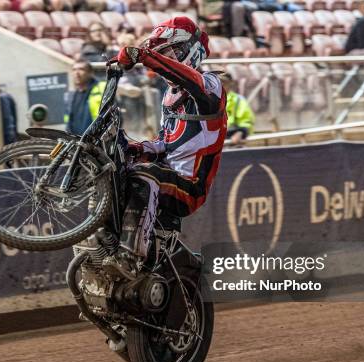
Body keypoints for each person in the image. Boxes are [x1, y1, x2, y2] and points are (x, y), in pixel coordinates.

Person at [102, 17, 228, 275]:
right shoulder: (169, 98)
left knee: (144, 175)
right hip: (168, 173)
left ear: (191, 52)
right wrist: (136, 148)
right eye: (162, 54)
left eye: (170, 52)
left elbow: (192, 81)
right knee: (117, 171)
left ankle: (129, 256)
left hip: (190, 186)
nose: (165, 59)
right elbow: (164, 142)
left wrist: (145, 56)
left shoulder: (212, 85)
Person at [64, 60, 105, 135]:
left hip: (96, 140)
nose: (77, 73)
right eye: (74, 70)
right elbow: (68, 119)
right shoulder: (71, 95)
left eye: (81, 69)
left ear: (90, 73)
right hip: (76, 141)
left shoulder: (102, 88)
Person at [220, 73, 255, 145]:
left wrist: (240, 132)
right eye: (217, 82)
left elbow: (246, 122)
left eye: (223, 82)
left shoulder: (238, 100)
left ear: (230, 83)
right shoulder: (208, 100)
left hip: (231, 141)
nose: (220, 85)